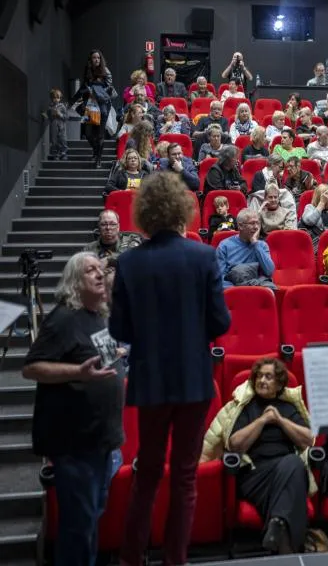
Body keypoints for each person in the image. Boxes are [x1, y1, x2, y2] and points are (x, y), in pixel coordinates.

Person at [109, 173, 231, 566]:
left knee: (146, 475)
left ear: (144, 212)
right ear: (182, 209)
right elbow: (221, 323)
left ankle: (131, 558)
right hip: (194, 381)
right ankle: (175, 561)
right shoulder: (204, 256)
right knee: (184, 478)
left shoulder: (129, 262)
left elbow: (119, 331)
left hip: (150, 381)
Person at [22, 252, 124, 566]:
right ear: (74, 283)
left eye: (100, 268)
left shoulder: (99, 316)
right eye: (90, 270)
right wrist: (77, 373)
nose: (99, 273)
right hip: (74, 442)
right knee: (78, 527)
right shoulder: (64, 318)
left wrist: (121, 353)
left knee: (91, 518)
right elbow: (32, 367)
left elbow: (105, 364)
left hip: (101, 439)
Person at [215, 358, 312, 553]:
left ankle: (277, 526)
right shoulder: (246, 408)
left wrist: (280, 420)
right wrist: (262, 421)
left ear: (279, 383)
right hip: (255, 474)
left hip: (285, 471)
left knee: (292, 466)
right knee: (293, 477)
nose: (262, 380)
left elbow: (307, 439)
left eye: (268, 377)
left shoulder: (287, 408)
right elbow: (235, 444)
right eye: (259, 376)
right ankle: (281, 530)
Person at [216, 209, 276, 288]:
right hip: (234, 288)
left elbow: (269, 272)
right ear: (240, 226)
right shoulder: (224, 245)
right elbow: (220, 277)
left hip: (258, 287)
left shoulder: (262, 245)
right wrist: (240, 290)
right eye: (252, 223)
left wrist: (255, 243)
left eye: (257, 223)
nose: (256, 227)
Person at [83, 50, 115, 168]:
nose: (96, 60)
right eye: (94, 58)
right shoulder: (88, 70)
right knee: (88, 133)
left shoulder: (105, 71)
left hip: (103, 105)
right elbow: (85, 85)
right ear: (91, 59)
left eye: (98, 58)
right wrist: (88, 91)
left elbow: (109, 87)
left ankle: (99, 160)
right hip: (90, 105)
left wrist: (97, 92)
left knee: (100, 135)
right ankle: (96, 151)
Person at [299, 184, 328, 252]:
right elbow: (309, 221)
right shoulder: (310, 207)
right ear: (319, 198)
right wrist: (322, 204)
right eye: (327, 197)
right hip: (315, 246)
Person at [47, 88, 68, 160]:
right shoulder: (50, 107)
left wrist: (60, 114)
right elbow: (48, 116)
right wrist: (50, 114)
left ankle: (63, 153)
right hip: (53, 124)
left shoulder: (62, 106)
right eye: (54, 98)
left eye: (57, 98)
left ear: (60, 98)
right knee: (54, 140)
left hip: (61, 125)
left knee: (62, 139)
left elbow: (66, 117)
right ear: (52, 98)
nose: (56, 99)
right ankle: (56, 153)